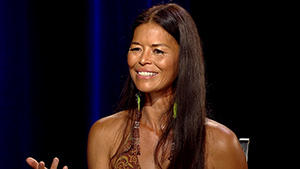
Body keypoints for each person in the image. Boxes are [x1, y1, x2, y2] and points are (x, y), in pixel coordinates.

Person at [27, 3, 248, 169]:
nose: (143, 60)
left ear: (184, 60)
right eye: (136, 48)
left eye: (158, 51)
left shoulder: (218, 142)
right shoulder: (105, 133)